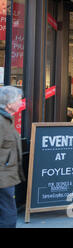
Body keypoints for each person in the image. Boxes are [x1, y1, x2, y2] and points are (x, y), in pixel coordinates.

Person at [0, 86, 25, 228]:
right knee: (8, 217)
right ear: (9, 104)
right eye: (19, 100)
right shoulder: (1, 122)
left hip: (7, 178)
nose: (21, 103)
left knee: (8, 215)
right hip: (2, 180)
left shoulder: (7, 119)